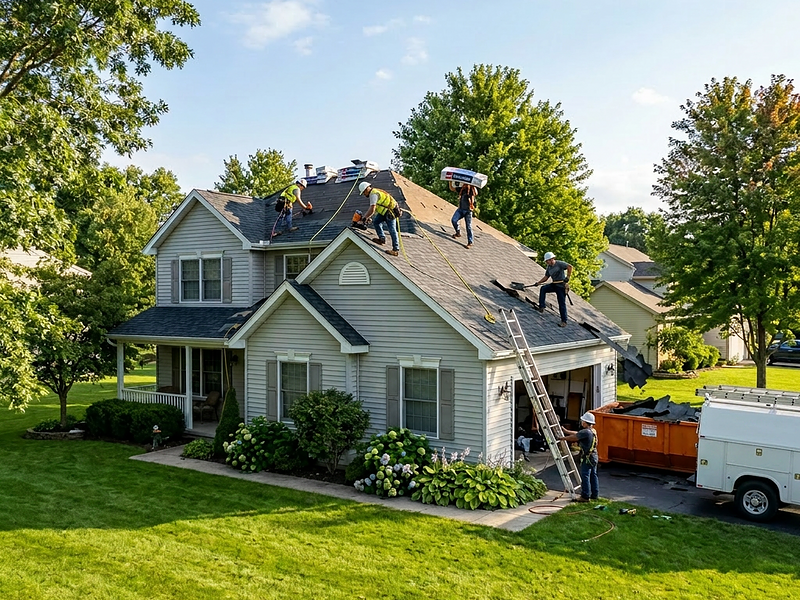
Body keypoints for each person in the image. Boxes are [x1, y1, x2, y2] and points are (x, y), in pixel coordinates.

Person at [558, 412, 598, 502]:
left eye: (582, 421)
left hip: (588, 458)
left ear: (585, 422)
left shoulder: (586, 432)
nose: (581, 422)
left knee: (585, 476)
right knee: (593, 476)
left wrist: (562, 438)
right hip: (594, 456)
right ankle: (595, 494)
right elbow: (578, 433)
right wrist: (566, 431)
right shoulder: (592, 430)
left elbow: (575, 437)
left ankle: (585, 496)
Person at [359, 181, 401, 257]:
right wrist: (369, 217)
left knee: (392, 229)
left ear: (366, 189)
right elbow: (376, 208)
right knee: (376, 222)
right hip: (384, 212)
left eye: (363, 193)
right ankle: (382, 239)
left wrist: (364, 218)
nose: (364, 195)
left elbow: (372, 208)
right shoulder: (374, 192)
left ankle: (395, 250)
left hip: (390, 212)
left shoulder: (373, 194)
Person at [535, 251, 573, 327]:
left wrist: (568, 277)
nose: (546, 262)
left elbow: (570, 267)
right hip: (554, 284)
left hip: (561, 286)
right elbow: (546, 277)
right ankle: (541, 307)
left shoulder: (559, 264)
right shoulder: (549, 267)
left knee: (561, 303)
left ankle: (564, 321)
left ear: (551, 259)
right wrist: (538, 282)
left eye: (547, 261)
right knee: (543, 289)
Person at [449, 181, 478, 248]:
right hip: (461, 209)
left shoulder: (472, 190)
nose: (465, 185)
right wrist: (450, 182)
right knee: (454, 220)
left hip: (468, 211)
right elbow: (452, 189)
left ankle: (470, 242)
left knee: (468, 226)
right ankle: (458, 232)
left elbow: (476, 193)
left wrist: (472, 185)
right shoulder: (462, 189)